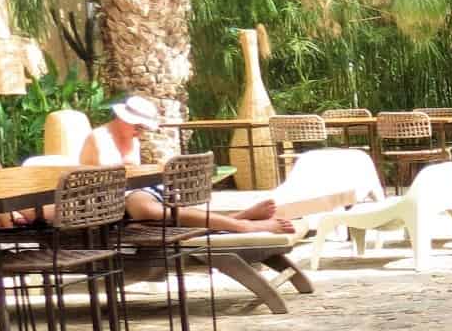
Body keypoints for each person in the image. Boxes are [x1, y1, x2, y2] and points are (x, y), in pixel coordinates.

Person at [81, 96, 296, 235]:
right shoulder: (100, 138)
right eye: (137, 126)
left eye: (143, 128)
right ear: (122, 118)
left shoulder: (133, 139)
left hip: (132, 191)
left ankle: (235, 220)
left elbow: (132, 172)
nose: (140, 132)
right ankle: (241, 224)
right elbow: (107, 176)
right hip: (109, 197)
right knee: (146, 209)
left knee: (165, 204)